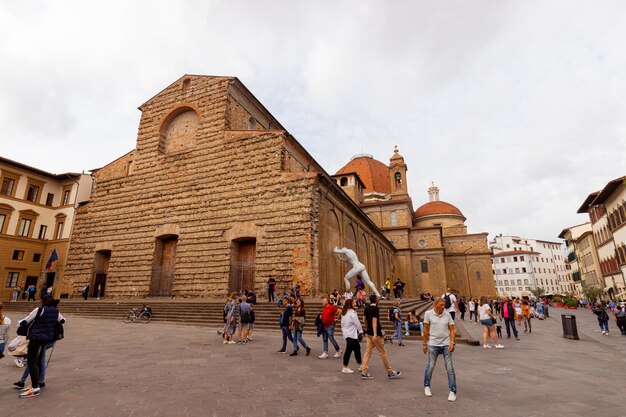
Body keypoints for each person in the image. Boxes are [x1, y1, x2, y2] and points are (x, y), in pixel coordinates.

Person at [18, 295, 65, 398]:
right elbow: (62, 321)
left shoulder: (39, 310)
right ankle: (38, 383)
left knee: (31, 362)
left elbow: (25, 321)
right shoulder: (56, 311)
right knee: (39, 361)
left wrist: (20, 323)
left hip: (36, 338)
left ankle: (35, 388)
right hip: (47, 338)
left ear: (43, 301)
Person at [423, 297, 457, 402]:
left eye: (444, 305)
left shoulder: (447, 314)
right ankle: (427, 386)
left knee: (450, 367)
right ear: (435, 305)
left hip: (446, 344)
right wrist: (424, 343)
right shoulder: (428, 314)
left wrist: (452, 342)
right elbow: (425, 329)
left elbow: (452, 329)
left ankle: (452, 391)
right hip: (433, 344)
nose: (443, 307)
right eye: (441, 305)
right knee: (431, 366)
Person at [361, 294, 401, 380]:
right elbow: (374, 321)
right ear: (375, 300)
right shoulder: (375, 309)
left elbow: (363, 320)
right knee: (382, 353)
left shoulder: (367, 308)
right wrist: (375, 334)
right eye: (377, 299)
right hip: (376, 334)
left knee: (367, 352)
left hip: (369, 333)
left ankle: (364, 371)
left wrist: (368, 328)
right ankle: (390, 372)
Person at [340, 298, 363, 373]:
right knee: (349, 350)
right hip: (351, 334)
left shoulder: (344, 313)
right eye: (353, 303)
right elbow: (357, 323)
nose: (355, 304)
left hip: (347, 333)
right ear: (350, 304)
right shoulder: (352, 313)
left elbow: (342, 324)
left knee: (357, 348)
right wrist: (361, 331)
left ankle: (360, 364)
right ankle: (345, 367)